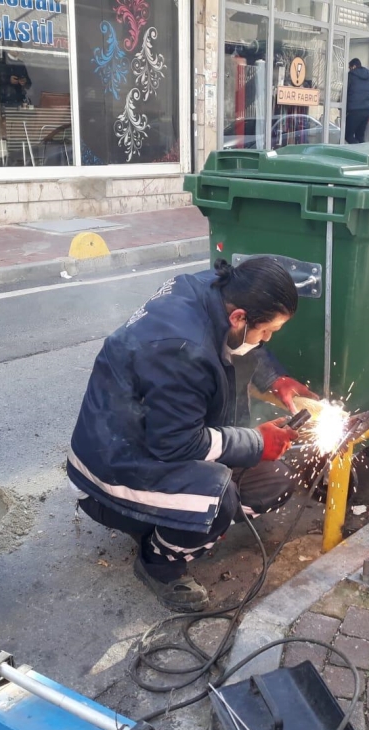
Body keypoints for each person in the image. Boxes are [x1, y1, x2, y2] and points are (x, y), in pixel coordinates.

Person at [67, 257, 318, 612]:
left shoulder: (215, 290)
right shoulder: (181, 348)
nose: (267, 339)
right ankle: (159, 562)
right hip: (109, 473)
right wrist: (257, 442)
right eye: (266, 331)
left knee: (277, 478)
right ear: (239, 317)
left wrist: (274, 378)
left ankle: (175, 524)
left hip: (151, 441)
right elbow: (177, 444)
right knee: (218, 497)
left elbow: (239, 347)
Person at [345, 58, 369, 144]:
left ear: (354, 66)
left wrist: (341, 104)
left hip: (354, 110)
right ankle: (363, 152)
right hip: (367, 111)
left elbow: (345, 91)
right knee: (360, 136)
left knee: (347, 135)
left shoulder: (351, 76)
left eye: (350, 67)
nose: (349, 70)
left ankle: (358, 154)